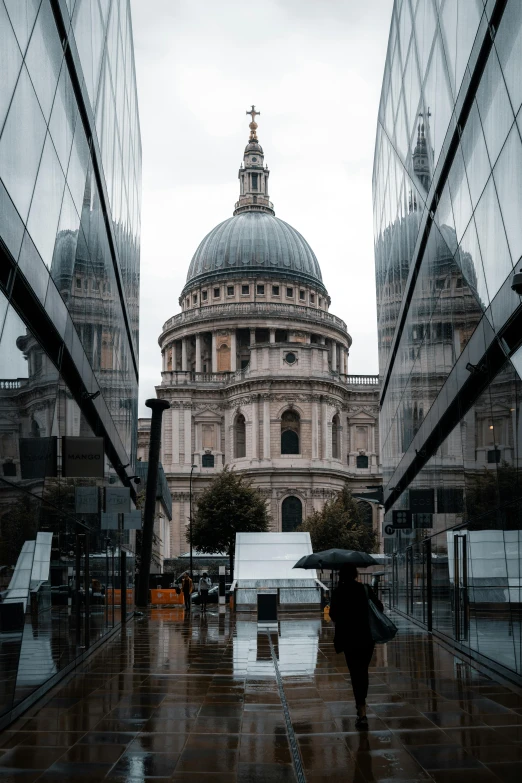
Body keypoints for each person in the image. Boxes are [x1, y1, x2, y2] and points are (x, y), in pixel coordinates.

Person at [329, 564, 384, 729]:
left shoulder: (339, 592)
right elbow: (379, 608)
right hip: (366, 637)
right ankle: (362, 706)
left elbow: (333, 615)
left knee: (355, 672)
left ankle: (361, 708)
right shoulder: (365, 589)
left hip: (349, 638)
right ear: (355, 574)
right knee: (363, 671)